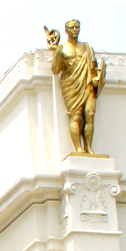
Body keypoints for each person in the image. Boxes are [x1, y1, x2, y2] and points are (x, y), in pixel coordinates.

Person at [47, 19, 105, 154]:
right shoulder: (62, 49)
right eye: (72, 28)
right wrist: (56, 54)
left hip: (87, 83)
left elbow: (94, 66)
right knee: (76, 117)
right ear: (66, 30)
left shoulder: (87, 47)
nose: (75, 30)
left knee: (89, 115)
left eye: (77, 27)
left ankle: (88, 148)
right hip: (71, 85)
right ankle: (78, 148)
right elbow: (55, 70)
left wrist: (97, 78)